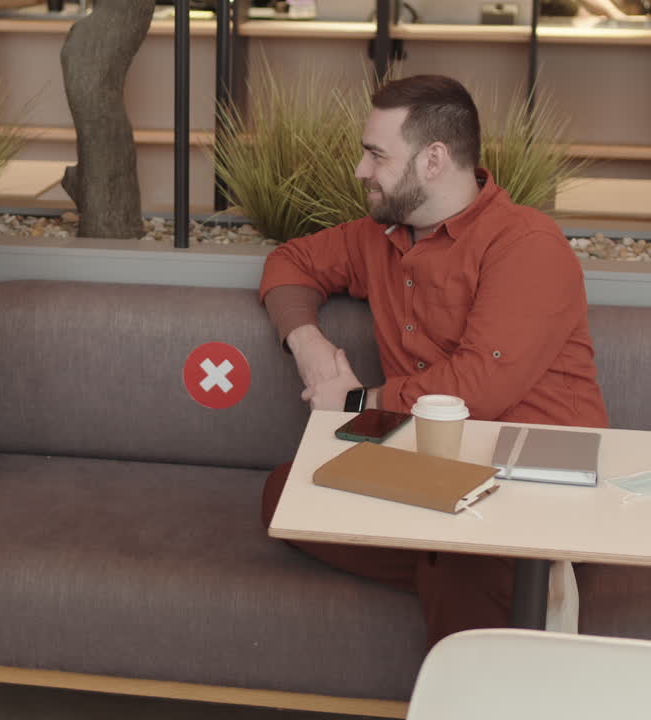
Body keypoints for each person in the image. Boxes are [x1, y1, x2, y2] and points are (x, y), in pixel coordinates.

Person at [257, 74, 607, 649]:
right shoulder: (379, 236)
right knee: (285, 493)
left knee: (465, 559)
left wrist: (356, 402)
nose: (360, 170)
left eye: (376, 155)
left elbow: (477, 387)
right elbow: (290, 262)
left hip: (528, 478)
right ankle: (493, 568)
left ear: (434, 160)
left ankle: (508, 562)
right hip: (426, 472)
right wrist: (310, 347)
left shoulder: (527, 244)